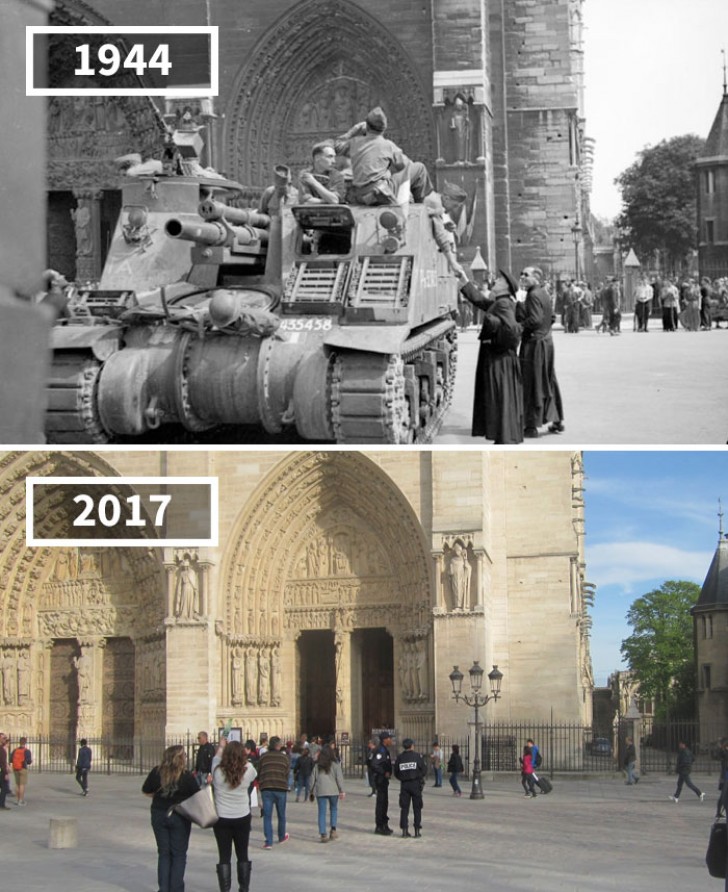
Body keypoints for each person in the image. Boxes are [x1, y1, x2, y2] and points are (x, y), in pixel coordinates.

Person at [459, 268, 523, 444]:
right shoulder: (500, 302)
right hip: (501, 358)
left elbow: (512, 331)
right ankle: (503, 436)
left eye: (500, 280)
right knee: (501, 397)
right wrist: (464, 280)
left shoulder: (502, 304)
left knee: (499, 396)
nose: (495, 281)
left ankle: (504, 438)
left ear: (506, 287)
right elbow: (480, 301)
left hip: (499, 359)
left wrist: (493, 343)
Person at [335, 107, 433, 205]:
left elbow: (336, 147)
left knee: (386, 176)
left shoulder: (354, 143)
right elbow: (403, 165)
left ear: (367, 127)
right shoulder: (388, 145)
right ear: (383, 129)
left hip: (359, 192)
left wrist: (352, 132)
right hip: (379, 190)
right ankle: (420, 205)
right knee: (419, 168)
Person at [142, 744, 198, 892]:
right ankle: (176, 888)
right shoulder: (186, 776)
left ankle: (164, 888)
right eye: (184, 755)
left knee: (164, 853)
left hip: (159, 814)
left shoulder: (156, 772)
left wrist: (159, 796)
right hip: (179, 816)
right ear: (180, 758)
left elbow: (146, 791)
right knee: (179, 854)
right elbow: (196, 796)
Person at [517, 266, 564, 437]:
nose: (522, 277)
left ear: (536, 278)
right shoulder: (543, 293)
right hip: (547, 342)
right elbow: (550, 318)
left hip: (535, 345)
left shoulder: (533, 294)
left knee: (532, 383)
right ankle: (557, 420)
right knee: (549, 379)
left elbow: (535, 319)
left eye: (526, 275)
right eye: (521, 274)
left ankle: (531, 426)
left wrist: (520, 326)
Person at [211, 738, 257, 892]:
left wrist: (221, 746)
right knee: (242, 854)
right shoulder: (248, 769)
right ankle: (244, 888)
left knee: (224, 856)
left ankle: (225, 890)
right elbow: (253, 773)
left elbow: (216, 758)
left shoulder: (217, 771)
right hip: (242, 817)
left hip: (222, 818)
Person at [257, 735, 290, 848]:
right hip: (280, 788)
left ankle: (268, 842)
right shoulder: (285, 758)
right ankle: (281, 837)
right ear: (279, 746)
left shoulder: (263, 757)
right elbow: (287, 773)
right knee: (281, 815)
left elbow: (259, 771)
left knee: (267, 816)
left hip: (267, 788)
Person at [310, 744, 346, 842]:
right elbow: (339, 778)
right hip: (333, 790)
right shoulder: (335, 765)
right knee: (333, 809)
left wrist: (311, 791)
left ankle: (323, 834)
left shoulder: (317, 766)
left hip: (321, 790)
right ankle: (333, 830)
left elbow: (312, 779)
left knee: (321, 812)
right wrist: (342, 790)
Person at [393, 738, 427, 838]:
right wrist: (418, 776)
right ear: (412, 745)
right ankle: (417, 831)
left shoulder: (400, 758)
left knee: (404, 808)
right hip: (415, 784)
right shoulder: (417, 757)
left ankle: (404, 831)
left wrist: (403, 778)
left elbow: (396, 772)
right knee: (417, 808)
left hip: (404, 785)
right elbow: (424, 770)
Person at [298, 141, 347, 205]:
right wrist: (327, 200)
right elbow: (306, 202)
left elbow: (334, 200)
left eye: (334, 157)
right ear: (317, 158)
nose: (334, 161)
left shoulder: (337, 175)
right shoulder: (305, 174)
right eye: (330, 157)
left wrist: (314, 182)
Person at [371, 731, 394, 834]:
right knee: (381, 803)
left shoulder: (384, 750)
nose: (391, 740)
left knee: (385, 803)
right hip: (380, 780)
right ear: (385, 740)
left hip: (384, 781)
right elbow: (374, 764)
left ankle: (384, 824)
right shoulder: (380, 750)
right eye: (389, 738)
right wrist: (384, 772)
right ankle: (379, 826)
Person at [10, 735, 32, 806]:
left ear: (19, 742)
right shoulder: (27, 751)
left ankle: (17, 800)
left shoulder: (15, 750)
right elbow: (29, 761)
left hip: (15, 768)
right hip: (23, 768)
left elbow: (11, 759)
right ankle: (21, 800)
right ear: (25, 743)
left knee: (17, 785)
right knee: (22, 785)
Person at [0, 732, 10, 810]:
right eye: (4, 738)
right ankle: (1, 805)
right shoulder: (1, 750)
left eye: (5, 738)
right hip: (1, 772)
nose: (5, 740)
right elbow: (2, 762)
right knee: (4, 788)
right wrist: (6, 773)